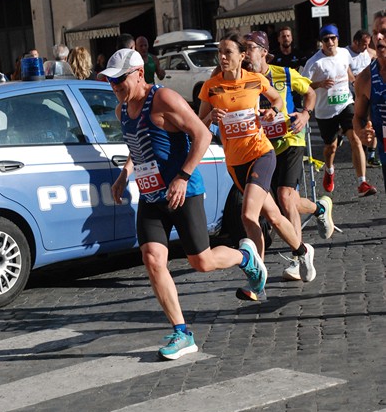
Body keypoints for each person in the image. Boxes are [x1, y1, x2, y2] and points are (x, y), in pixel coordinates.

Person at [102, 48, 269, 361]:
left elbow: (202, 135)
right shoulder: (121, 110)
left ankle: (245, 255)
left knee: (201, 261)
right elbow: (137, 147)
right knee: (152, 258)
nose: (116, 87)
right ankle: (182, 332)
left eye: (120, 80)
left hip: (184, 191)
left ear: (139, 73)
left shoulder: (164, 99)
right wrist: (124, 176)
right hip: (152, 197)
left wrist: (182, 176)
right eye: (111, 82)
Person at [198, 32, 316, 301]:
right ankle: (302, 251)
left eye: (229, 52)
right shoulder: (211, 87)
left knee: (248, 216)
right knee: (272, 216)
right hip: (235, 162)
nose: (223, 57)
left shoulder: (255, 80)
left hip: (261, 153)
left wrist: (271, 112)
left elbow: (276, 100)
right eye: (220, 52)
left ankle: (256, 281)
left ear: (241, 56)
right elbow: (198, 125)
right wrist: (209, 117)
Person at [243, 31, 334, 281]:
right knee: (283, 204)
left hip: (291, 139)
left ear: (263, 51)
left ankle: (298, 258)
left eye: (250, 48)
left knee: (285, 196)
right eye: (244, 48)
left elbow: (310, 93)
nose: (246, 53)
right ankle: (319, 208)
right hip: (264, 148)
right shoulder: (245, 81)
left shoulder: (284, 73)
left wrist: (306, 114)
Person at [302, 24, 376, 197]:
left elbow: (347, 68)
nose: (330, 42)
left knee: (356, 139)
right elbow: (302, 85)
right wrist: (319, 84)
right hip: (325, 111)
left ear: (337, 39)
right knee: (331, 147)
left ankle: (362, 182)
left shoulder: (344, 53)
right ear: (321, 42)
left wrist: (354, 82)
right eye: (325, 39)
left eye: (332, 38)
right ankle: (329, 169)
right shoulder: (314, 62)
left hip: (346, 104)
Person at [354, 10, 386, 193]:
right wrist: (361, 131)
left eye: (384, 32)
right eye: (375, 32)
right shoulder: (365, 78)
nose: (379, 37)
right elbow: (358, 117)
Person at [345, 29, 380, 168]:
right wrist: (355, 81)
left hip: (368, 93)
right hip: (352, 94)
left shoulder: (369, 52)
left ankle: (371, 154)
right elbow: (346, 71)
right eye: (364, 44)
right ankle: (361, 151)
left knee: (373, 121)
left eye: (368, 44)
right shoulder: (345, 54)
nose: (366, 47)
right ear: (355, 42)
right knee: (359, 123)